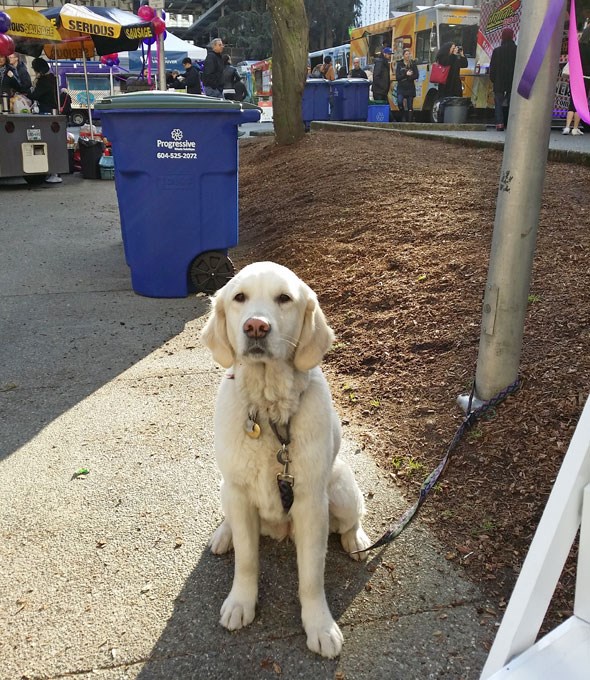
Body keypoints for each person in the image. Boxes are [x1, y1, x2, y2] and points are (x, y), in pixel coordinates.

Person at [29, 58, 61, 183]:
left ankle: (54, 172)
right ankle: (53, 171)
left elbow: (35, 95)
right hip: (52, 111)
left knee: (48, 142)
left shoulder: (44, 81)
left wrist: (26, 92)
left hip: (47, 113)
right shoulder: (52, 78)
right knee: (52, 142)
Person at [562, 25, 590, 135]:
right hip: (586, 77)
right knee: (580, 103)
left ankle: (567, 127)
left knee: (572, 102)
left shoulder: (578, 46)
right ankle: (575, 128)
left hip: (575, 76)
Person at [489, 27, 517, 131]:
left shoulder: (497, 51)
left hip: (499, 82)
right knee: (512, 104)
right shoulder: (517, 50)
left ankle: (499, 124)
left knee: (498, 104)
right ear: (512, 36)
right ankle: (510, 124)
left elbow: (493, 68)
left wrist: (494, 79)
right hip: (512, 82)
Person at [395, 48, 418, 121]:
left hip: (410, 87)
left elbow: (416, 75)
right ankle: (403, 115)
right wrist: (406, 74)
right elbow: (397, 77)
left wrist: (410, 77)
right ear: (403, 55)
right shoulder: (399, 64)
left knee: (410, 105)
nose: (408, 56)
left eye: (409, 54)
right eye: (406, 54)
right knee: (399, 101)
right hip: (401, 87)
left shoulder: (413, 64)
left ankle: (409, 121)